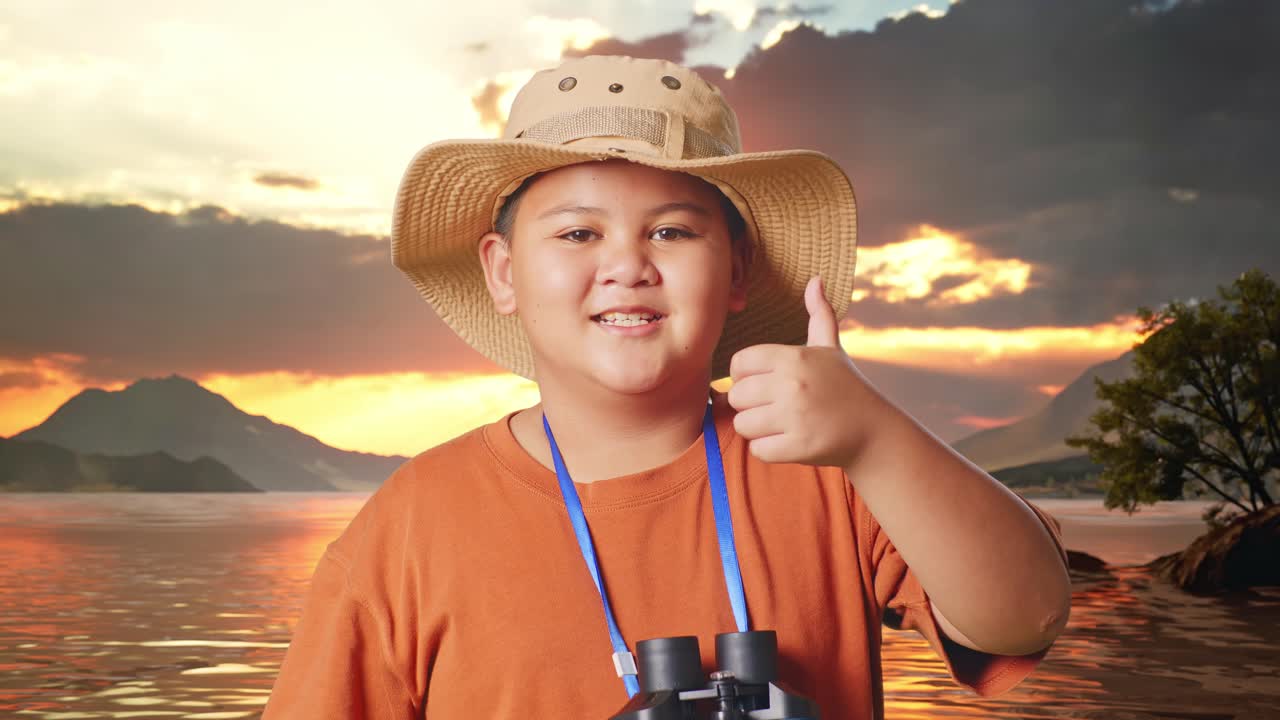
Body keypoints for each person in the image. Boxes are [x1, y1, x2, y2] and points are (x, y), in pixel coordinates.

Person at [261, 54, 1072, 719]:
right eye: (579, 232)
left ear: (738, 271)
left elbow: (1027, 615)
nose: (627, 265)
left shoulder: (837, 476)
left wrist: (875, 436)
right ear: (503, 272)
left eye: (673, 231)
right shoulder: (408, 529)